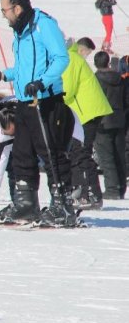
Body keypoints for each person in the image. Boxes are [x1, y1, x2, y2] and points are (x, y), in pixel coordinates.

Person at [0, 0, 75, 226]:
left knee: (49, 151)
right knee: (22, 152)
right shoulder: (20, 32)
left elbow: (61, 58)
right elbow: (23, 68)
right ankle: (26, 203)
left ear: (18, 7)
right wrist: (2, 75)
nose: (4, 15)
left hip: (45, 100)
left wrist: (42, 82)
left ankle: (62, 204)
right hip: (25, 101)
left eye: (5, 10)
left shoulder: (43, 25)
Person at [62, 37, 112, 210]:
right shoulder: (71, 56)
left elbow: (67, 89)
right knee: (78, 151)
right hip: (86, 111)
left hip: (87, 112)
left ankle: (91, 194)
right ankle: (83, 191)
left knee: (81, 152)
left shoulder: (70, 59)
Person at [93, 51, 126, 200]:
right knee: (119, 154)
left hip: (103, 121)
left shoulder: (96, 80)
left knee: (106, 156)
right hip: (119, 119)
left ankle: (112, 189)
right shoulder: (120, 78)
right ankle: (121, 187)